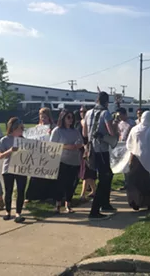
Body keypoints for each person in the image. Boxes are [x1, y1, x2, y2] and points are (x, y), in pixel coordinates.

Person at [83, 91, 116, 220]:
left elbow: (85, 133)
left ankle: (105, 203)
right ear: (106, 102)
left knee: (106, 175)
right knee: (105, 177)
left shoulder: (88, 113)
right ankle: (95, 210)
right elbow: (111, 132)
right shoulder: (105, 113)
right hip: (102, 149)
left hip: (91, 149)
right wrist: (114, 124)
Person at [125, 111, 150, 210]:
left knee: (136, 182)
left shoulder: (134, 129)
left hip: (137, 159)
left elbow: (128, 144)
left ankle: (135, 202)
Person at [50, 110, 83, 214]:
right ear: (63, 118)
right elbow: (52, 145)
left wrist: (78, 145)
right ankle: (58, 204)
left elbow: (81, 142)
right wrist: (66, 146)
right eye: (68, 117)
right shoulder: (57, 130)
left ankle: (68, 204)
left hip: (74, 161)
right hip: (62, 161)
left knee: (71, 184)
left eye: (72, 117)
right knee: (60, 183)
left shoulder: (75, 131)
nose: (70, 120)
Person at [0, 117, 26, 223]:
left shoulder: (25, 140)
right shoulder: (5, 140)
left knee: (21, 191)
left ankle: (18, 213)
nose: (21, 131)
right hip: (8, 169)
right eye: (19, 128)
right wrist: (10, 150)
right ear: (12, 128)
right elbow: (0, 156)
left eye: (22, 129)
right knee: (9, 191)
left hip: (22, 169)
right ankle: (8, 212)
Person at [25, 107, 56, 203]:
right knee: (35, 175)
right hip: (38, 153)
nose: (43, 119)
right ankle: (31, 196)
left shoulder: (52, 127)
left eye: (45, 117)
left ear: (49, 117)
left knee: (48, 176)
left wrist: (51, 133)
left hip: (49, 153)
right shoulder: (37, 128)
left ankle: (47, 196)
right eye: (41, 117)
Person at [78, 106, 97, 201]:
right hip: (81, 150)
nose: (82, 113)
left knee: (86, 172)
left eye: (84, 111)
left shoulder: (90, 124)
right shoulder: (78, 123)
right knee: (86, 172)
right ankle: (94, 190)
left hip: (89, 149)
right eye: (81, 111)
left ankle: (82, 194)